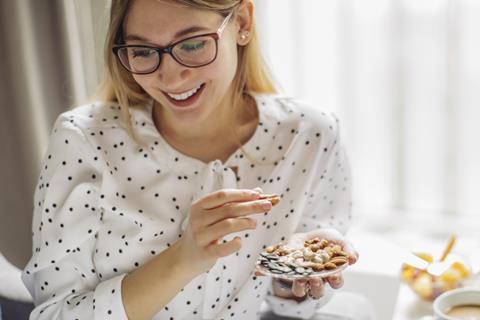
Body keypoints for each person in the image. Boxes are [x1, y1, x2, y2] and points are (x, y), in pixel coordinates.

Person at [22, 0, 358, 319]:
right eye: (142, 51)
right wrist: (184, 259)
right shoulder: (84, 140)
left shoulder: (310, 135)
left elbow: (291, 307)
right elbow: (54, 314)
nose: (170, 78)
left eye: (192, 45)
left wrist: (294, 276)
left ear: (242, 23)